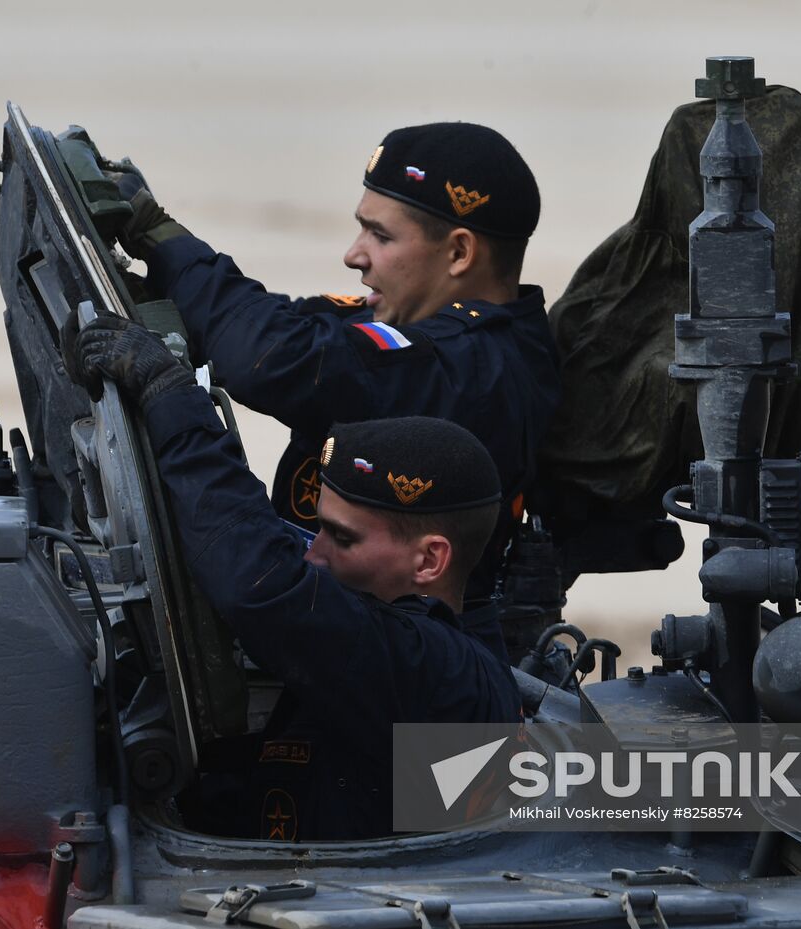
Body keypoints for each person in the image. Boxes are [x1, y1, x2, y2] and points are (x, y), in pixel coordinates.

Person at [63, 312, 521, 840]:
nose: (313, 555)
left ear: (429, 561)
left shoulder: (445, 676)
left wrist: (172, 397)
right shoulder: (375, 659)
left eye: (342, 538)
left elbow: (262, 583)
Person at [101, 122, 560, 605]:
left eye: (380, 236)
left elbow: (269, 358)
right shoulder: (433, 329)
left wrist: (160, 237)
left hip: (379, 659)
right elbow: (270, 325)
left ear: (460, 252)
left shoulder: (474, 368)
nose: (353, 255)